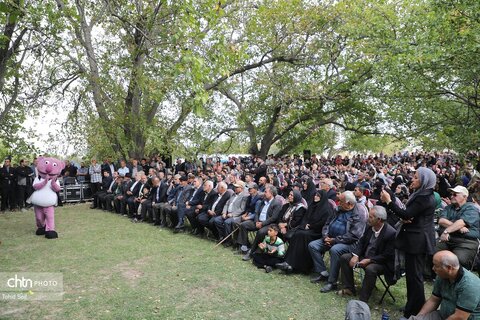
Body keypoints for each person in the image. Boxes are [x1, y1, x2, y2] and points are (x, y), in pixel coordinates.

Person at [380, 167, 437, 318]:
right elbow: (409, 215)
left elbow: (406, 213)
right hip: (414, 238)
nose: (413, 179)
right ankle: (412, 305)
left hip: (418, 241)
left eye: (417, 177)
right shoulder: (421, 194)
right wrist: (407, 216)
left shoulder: (424, 197)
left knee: (415, 277)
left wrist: (389, 201)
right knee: (412, 276)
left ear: (425, 181)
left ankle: (415, 310)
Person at [308, 191, 367, 293]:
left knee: (335, 250)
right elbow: (327, 223)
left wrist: (335, 240)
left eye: (341, 201)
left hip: (349, 243)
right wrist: (325, 236)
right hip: (331, 239)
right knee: (313, 245)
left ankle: (332, 282)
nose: (338, 203)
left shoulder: (360, 212)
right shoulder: (338, 209)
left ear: (349, 203)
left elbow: (354, 236)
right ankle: (323, 273)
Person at [338, 206, 396, 302]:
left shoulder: (390, 233)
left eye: (371, 217)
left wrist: (370, 260)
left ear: (379, 220)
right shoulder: (369, 226)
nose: (368, 218)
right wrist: (356, 256)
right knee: (345, 258)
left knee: (370, 269)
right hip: (365, 256)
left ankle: (363, 300)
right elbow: (361, 242)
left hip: (381, 262)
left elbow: (387, 255)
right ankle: (349, 288)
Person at [405, 250, 480, 320]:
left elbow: (460, 317)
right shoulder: (442, 275)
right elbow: (433, 300)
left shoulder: (470, 285)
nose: (433, 268)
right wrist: (418, 317)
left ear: (449, 268)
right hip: (443, 316)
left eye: (436, 266)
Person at [276, 190, 334, 273]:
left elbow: (323, 223)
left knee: (301, 235)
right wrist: (304, 225)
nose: (315, 197)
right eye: (315, 195)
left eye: (318, 196)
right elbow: (305, 218)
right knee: (297, 234)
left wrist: (310, 226)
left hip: (317, 232)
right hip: (306, 229)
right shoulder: (312, 205)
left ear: (322, 198)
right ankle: (289, 263)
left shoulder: (326, 209)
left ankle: (297, 265)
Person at [436, 185, 479, 269]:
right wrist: (458, 227)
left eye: (455, 194)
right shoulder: (449, 207)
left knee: (458, 260)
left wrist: (447, 231)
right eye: (451, 194)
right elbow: (441, 221)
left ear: (464, 196)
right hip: (448, 239)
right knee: (432, 251)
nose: (452, 196)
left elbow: (461, 222)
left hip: (466, 241)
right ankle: (433, 276)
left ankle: (458, 278)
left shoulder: (471, 208)